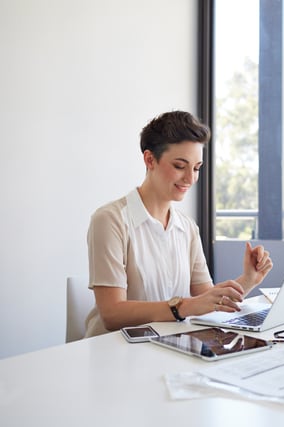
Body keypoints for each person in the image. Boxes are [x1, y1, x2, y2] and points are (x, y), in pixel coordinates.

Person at [84, 111, 273, 337]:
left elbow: (207, 300)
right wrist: (182, 306)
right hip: (114, 351)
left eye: (196, 168)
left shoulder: (187, 227)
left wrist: (248, 280)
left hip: (168, 346)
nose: (190, 179)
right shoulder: (110, 220)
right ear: (149, 159)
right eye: (179, 166)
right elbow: (112, 314)